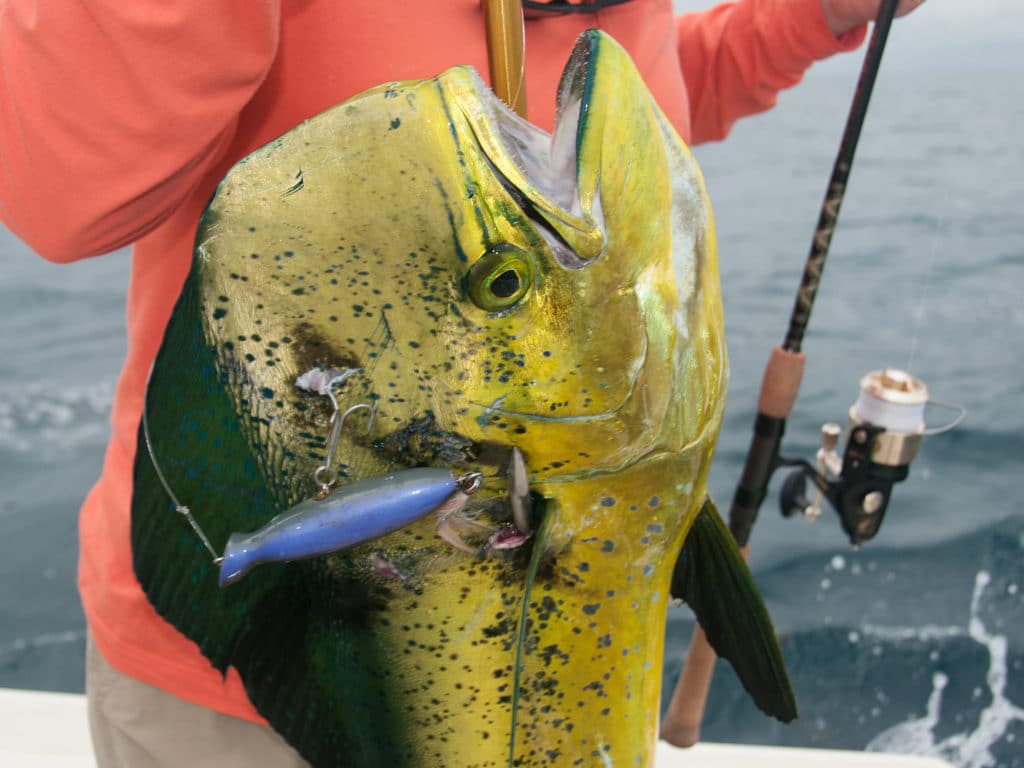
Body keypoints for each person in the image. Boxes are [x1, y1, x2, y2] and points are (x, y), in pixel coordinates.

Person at [0, 1, 924, 765]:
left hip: (557, 643)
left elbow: (614, 122)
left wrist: (813, 16)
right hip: (254, 678)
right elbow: (61, 180)